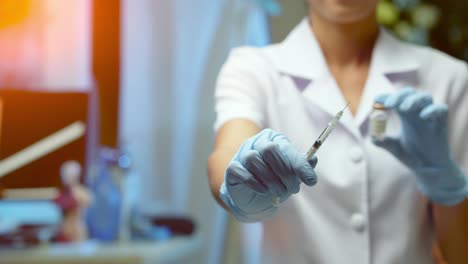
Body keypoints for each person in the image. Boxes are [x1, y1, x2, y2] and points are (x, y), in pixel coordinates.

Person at [207, 0, 468, 263]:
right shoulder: (252, 68)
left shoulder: (450, 78)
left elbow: (459, 255)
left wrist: (446, 187)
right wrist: (240, 179)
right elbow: (227, 151)